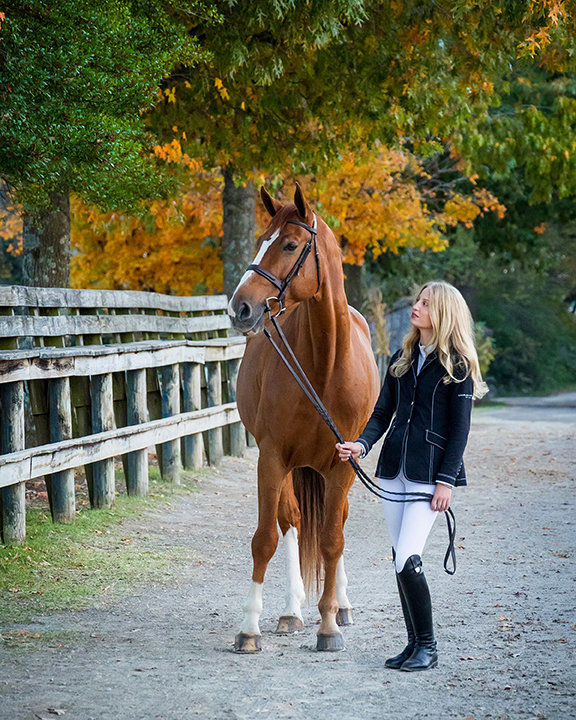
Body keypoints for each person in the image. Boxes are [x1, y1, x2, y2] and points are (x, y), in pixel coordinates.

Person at [336, 281, 488, 672]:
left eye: (424, 303)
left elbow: (460, 431)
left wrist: (447, 481)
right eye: (418, 301)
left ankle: (429, 647)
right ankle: (412, 645)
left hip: (429, 476)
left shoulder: (458, 366)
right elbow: (382, 413)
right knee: (399, 558)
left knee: (408, 558)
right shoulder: (403, 358)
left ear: (443, 313)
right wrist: (361, 445)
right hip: (393, 472)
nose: (416, 307)